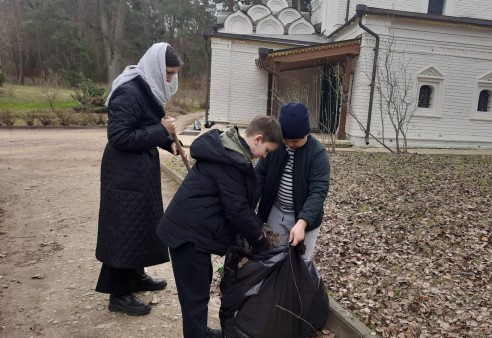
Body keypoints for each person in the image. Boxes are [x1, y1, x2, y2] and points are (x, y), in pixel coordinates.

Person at [157, 115, 283, 338]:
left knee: (199, 287)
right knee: (194, 297)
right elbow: (237, 211)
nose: (265, 156)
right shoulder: (231, 161)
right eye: (267, 150)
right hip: (187, 236)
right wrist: (261, 244)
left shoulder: (228, 150)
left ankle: (200, 332)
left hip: (192, 232)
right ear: (258, 139)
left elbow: (238, 205)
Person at [95, 42, 189, 316]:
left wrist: (170, 143)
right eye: (168, 73)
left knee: (139, 224)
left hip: (139, 169)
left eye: (173, 74)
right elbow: (120, 137)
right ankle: (119, 294)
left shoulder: (147, 88)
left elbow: (145, 127)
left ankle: (135, 276)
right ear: (157, 68)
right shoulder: (128, 91)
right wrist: (161, 130)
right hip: (124, 171)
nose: (170, 79)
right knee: (123, 228)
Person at [255, 102, 330, 263]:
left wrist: (302, 223)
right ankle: (272, 288)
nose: (290, 144)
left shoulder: (317, 154)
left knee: (300, 264)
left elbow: (318, 191)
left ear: (306, 134)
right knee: (271, 259)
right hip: (275, 212)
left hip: (304, 219)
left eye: (295, 141)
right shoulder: (275, 146)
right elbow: (259, 175)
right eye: (286, 139)